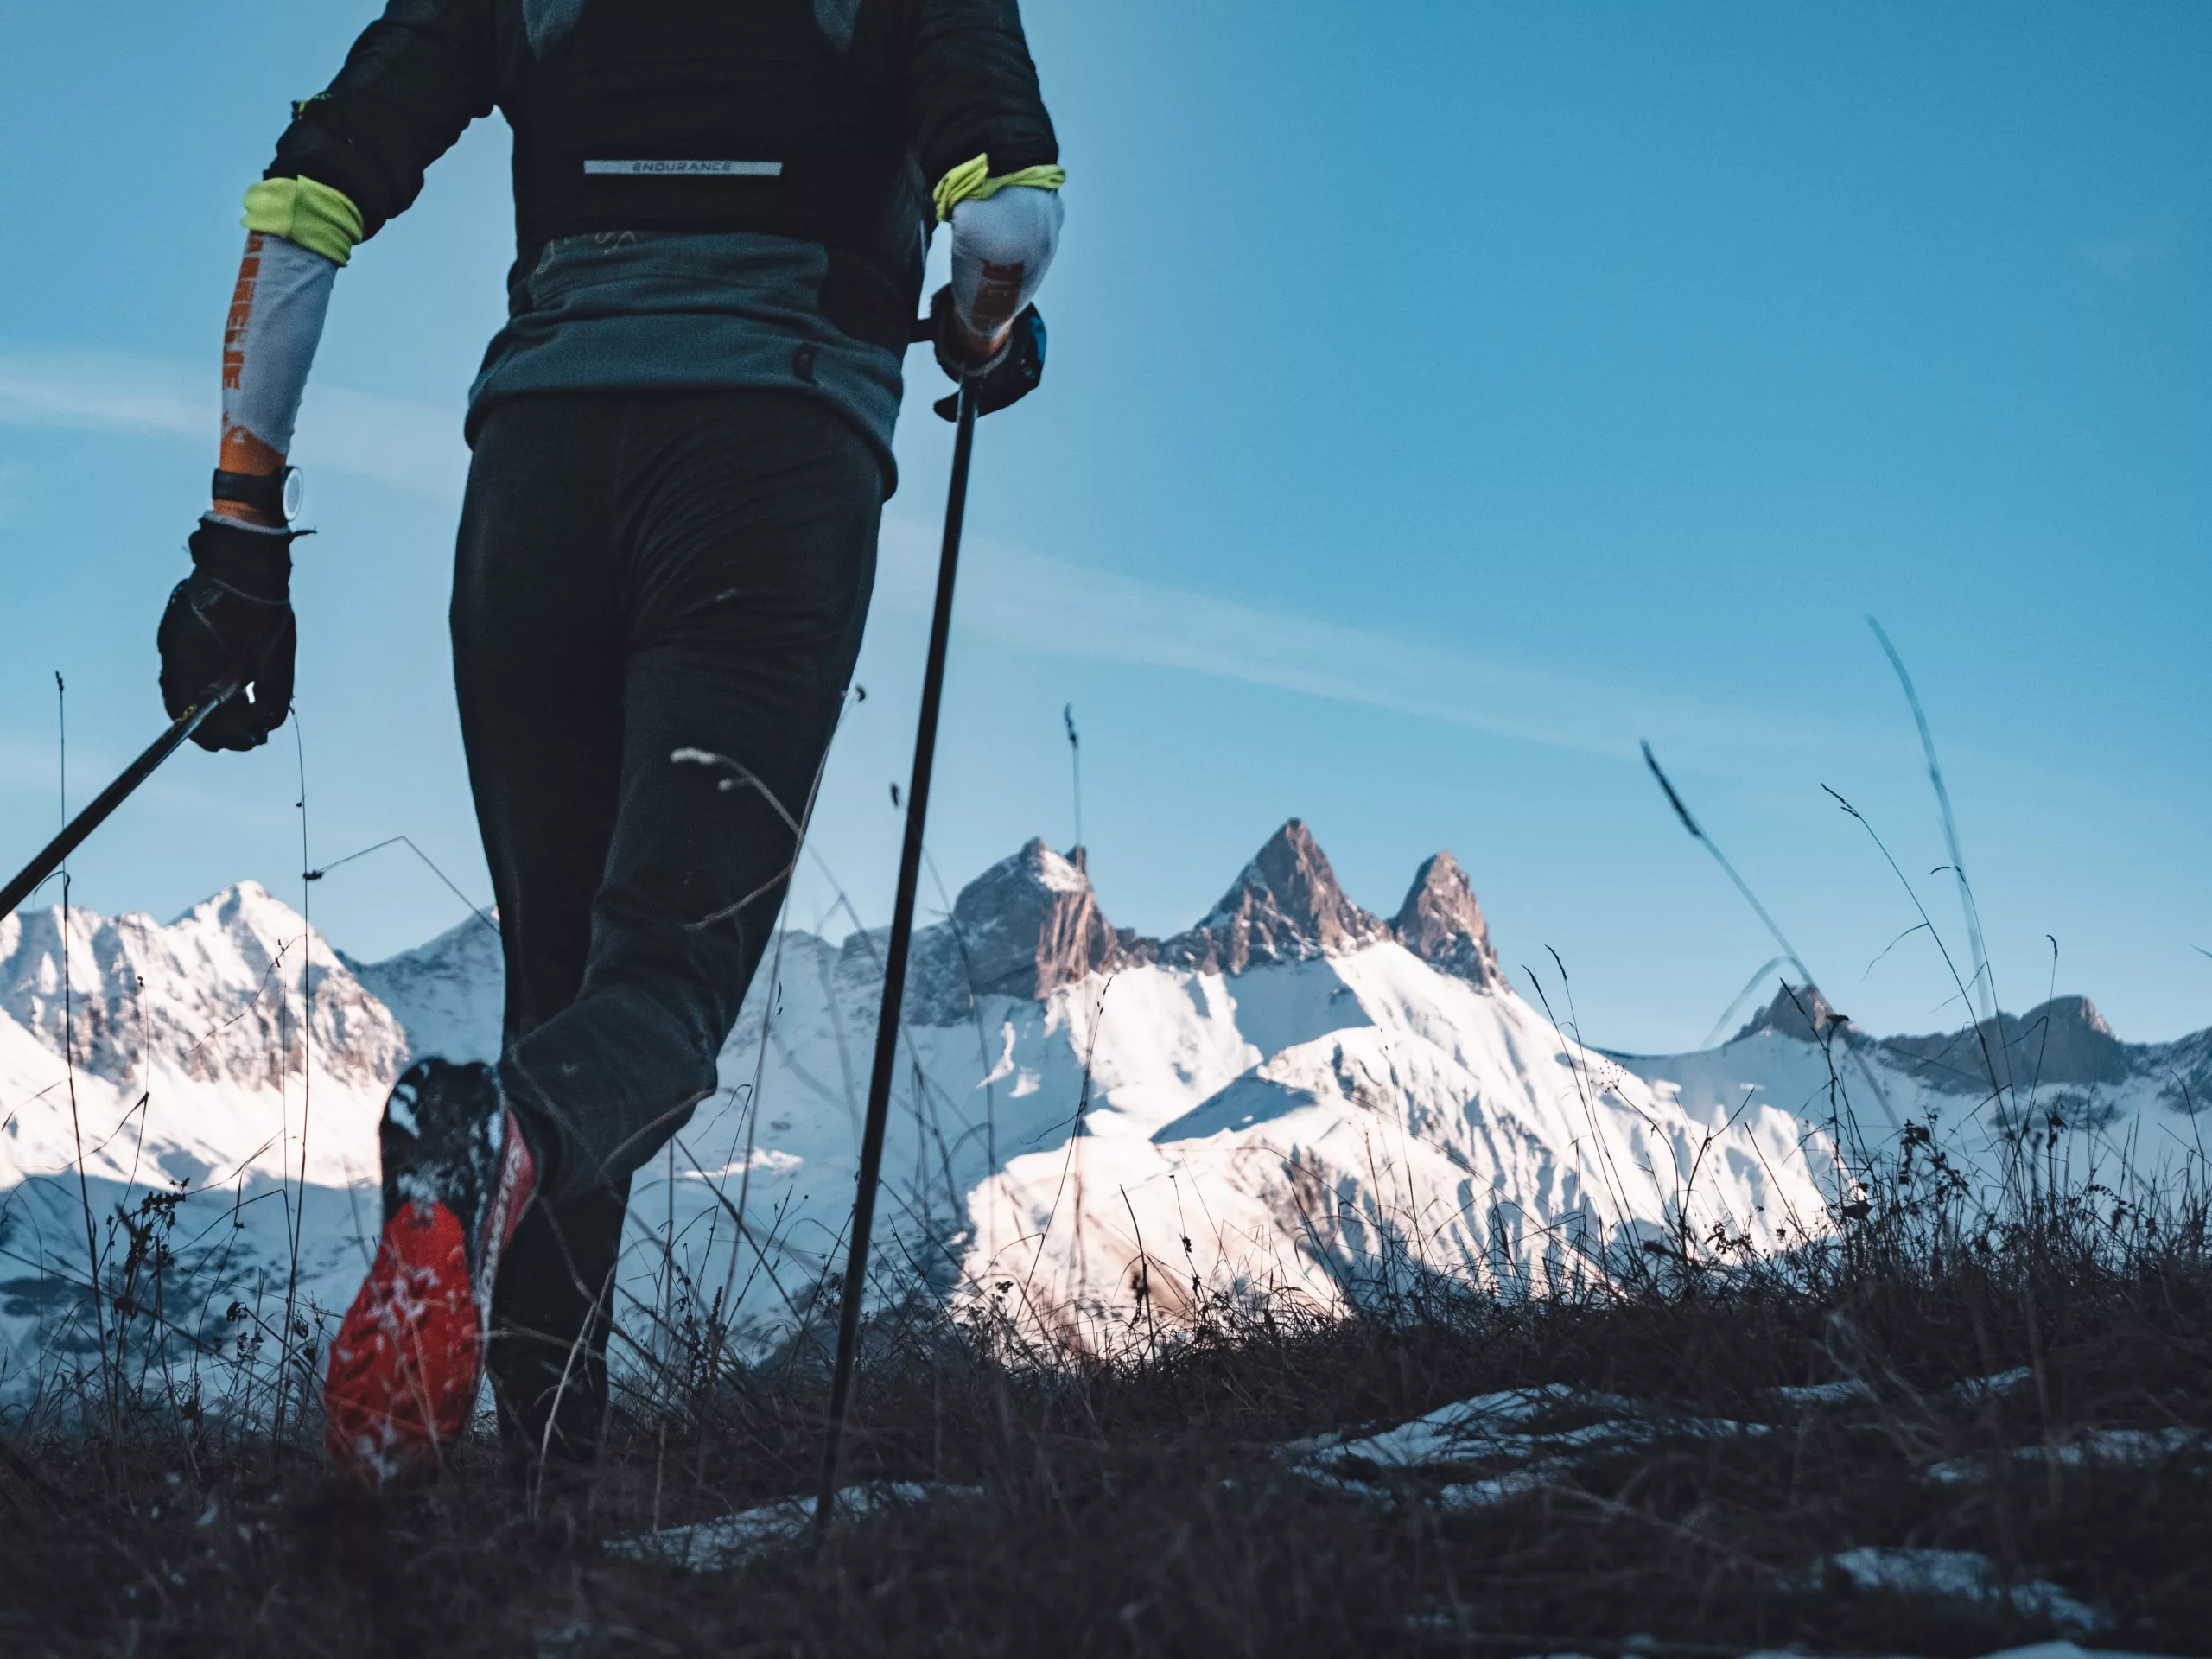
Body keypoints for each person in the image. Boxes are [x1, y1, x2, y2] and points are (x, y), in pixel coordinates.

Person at [154, 0, 1063, 1489]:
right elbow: (1009, 218)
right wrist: (979, 331)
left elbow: (301, 204)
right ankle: (485, 1167)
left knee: (554, 986)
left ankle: (535, 1491)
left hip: (536, 481)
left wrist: (242, 528)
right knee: (655, 991)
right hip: (768, 471)